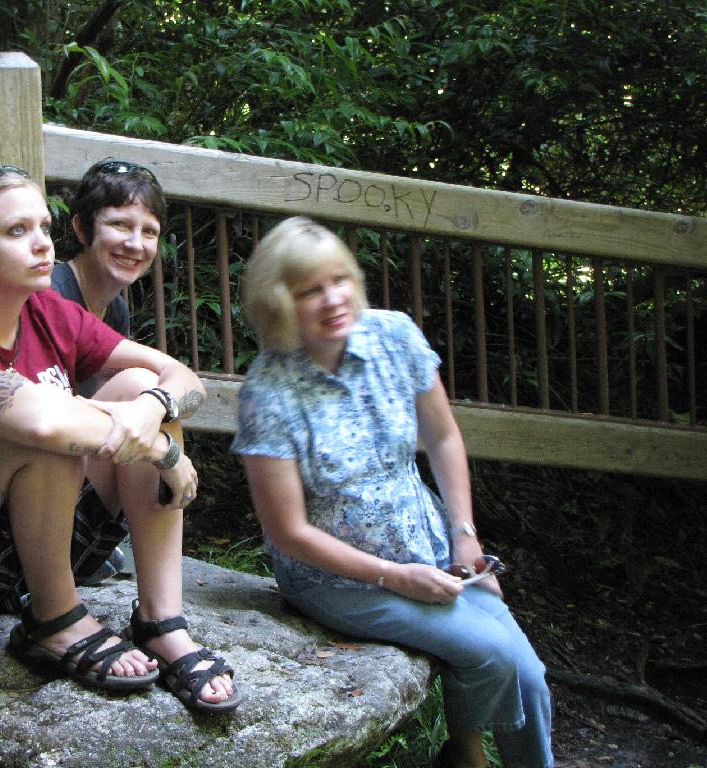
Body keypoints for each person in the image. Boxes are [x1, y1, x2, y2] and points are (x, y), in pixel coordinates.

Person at [0, 165, 239, 712]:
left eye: (43, 227)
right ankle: (54, 620)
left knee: (140, 387)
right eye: (17, 231)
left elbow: (179, 377)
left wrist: (153, 409)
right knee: (45, 425)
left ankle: (160, 621)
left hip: (21, 551)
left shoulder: (49, 312)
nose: (41, 244)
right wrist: (162, 450)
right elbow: (42, 424)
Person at [230, 217, 551, 766]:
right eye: (310, 290)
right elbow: (288, 532)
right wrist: (395, 577)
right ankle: (466, 756)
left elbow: (443, 437)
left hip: (429, 545)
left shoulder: (394, 336)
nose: (334, 299)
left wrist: (465, 536)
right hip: (337, 579)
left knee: (532, 677)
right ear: (278, 302)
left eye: (340, 280)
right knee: (494, 652)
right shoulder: (268, 393)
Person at [50, 159, 169, 584]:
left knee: (148, 399)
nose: (136, 243)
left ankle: (91, 547)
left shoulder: (114, 308)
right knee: (141, 387)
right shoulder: (50, 296)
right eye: (120, 225)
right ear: (82, 229)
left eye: (149, 231)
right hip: (32, 475)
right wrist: (165, 454)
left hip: (70, 469)